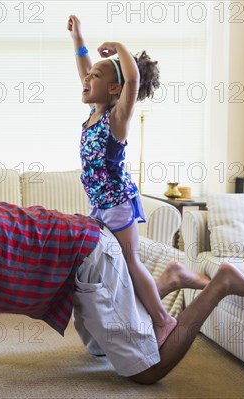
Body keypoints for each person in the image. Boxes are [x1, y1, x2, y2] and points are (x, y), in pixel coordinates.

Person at [0, 190, 244, 399]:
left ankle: (221, 282)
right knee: (100, 351)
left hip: (88, 256)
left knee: (146, 372)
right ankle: (169, 279)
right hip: (76, 255)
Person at [67, 15, 176, 347]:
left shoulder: (117, 118)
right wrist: (79, 37)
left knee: (129, 262)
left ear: (114, 88)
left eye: (95, 77)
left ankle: (163, 320)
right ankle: (113, 324)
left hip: (118, 205)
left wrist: (119, 47)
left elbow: (131, 80)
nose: (86, 79)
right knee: (98, 264)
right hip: (99, 206)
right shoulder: (94, 112)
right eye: (87, 76)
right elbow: (87, 67)